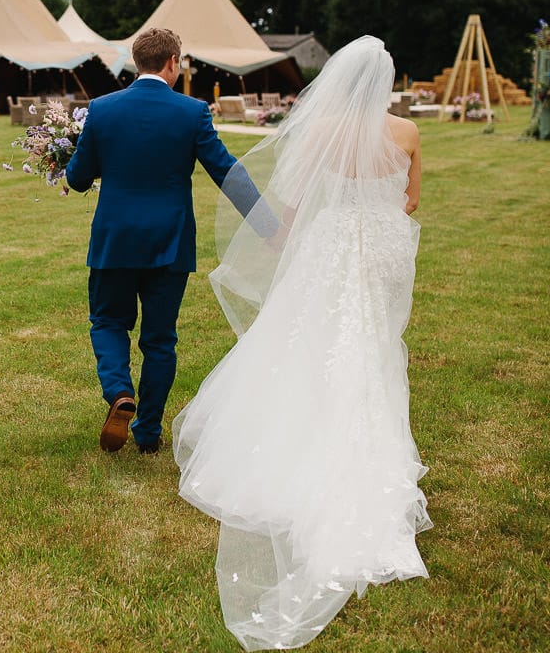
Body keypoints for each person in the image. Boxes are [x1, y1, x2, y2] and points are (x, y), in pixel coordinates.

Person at [171, 36, 429, 651]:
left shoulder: (321, 133)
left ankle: (290, 443)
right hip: (379, 249)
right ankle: (369, 458)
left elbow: (291, 199)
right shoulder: (408, 134)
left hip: (331, 245)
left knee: (306, 339)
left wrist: (286, 236)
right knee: (369, 346)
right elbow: (412, 201)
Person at [65, 28, 276, 455]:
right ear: (173, 62)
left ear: (135, 61)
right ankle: (147, 431)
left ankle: (119, 391)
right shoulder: (192, 112)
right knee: (160, 339)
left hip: (115, 240)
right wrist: (269, 227)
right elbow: (227, 172)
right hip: (170, 242)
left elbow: (78, 177)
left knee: (108, 321)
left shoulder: (101, 110)